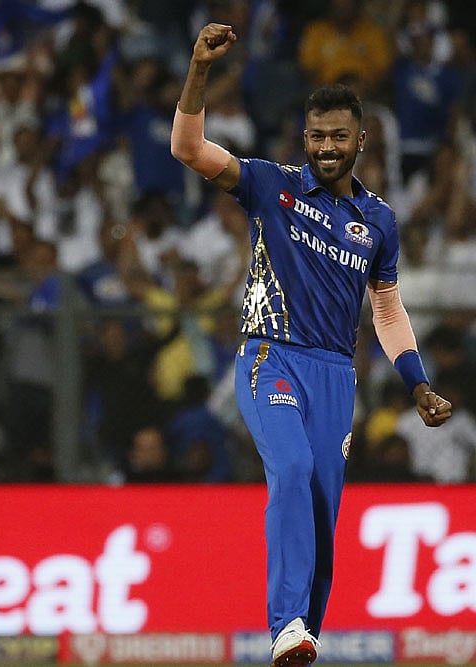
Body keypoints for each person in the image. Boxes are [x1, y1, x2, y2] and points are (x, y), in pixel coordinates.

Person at [171, 24, 453, 667]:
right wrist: (199, 70)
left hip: (334, 374)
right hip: (270, 356)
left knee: (324, 512)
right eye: (317, 136)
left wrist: (417, 383)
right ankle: (286, 624)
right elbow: (187, 147)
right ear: (305, 139)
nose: (327, 147)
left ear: (361, 140)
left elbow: (387, 310)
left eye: (339, 137)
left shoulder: (377, 221)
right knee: (293, 468)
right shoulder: (270, 185)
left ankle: (303, 641)